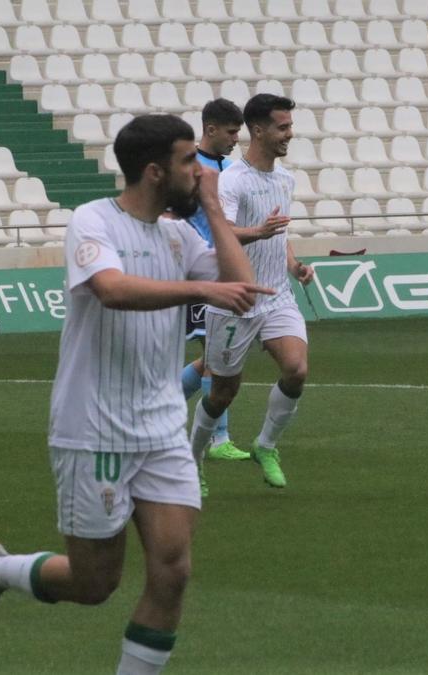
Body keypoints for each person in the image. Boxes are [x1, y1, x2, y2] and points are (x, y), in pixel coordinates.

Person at [0, 114, 272, 675]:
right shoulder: (92, 220)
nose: (198, 170)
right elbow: (111, 289)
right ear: (154, 172)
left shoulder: (178, 233)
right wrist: (201, 287)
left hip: (161, 429)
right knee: (94, 582)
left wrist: (217, 213)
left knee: (172, 571)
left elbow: (240, 287)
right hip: (94, 427)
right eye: (186, 161)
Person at [188, 93, 313, 490]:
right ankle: (191, 461)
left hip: (276, 294)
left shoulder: (285, 179)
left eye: (290, 126)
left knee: (296, 369)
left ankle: (266, 445)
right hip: (236, 297)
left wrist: (293, 264)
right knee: (223, 392)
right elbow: (221, 231)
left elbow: (280, 233)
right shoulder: (232, 181)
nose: (289, 134)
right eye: (283, 127)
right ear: (258, 130)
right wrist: (256, 233)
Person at [178, 99, 251, 488]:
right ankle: (218, 438)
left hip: (228, 271)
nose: (235, 139)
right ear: (210, 130)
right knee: (216, 357)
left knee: (211, 356)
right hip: (203, 271)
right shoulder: (191, 168)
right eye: (230, 132)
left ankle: (163, 406)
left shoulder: (234, 170)